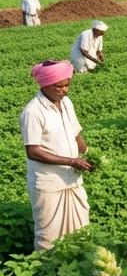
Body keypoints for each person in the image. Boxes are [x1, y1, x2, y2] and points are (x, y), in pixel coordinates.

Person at [20, 60, 93, 250]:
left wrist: (88, 154)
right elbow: (33, 151)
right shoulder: (32, 112)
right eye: (58, 86)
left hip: (71, 178)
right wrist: (71, 161)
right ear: (45, 85)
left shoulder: (66, 103)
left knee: (80, 224)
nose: (64, 90)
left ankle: (77, 258)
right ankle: (46, 265)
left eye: (67, 84)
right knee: (49, 233)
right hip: (49, 182)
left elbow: (76, 134)